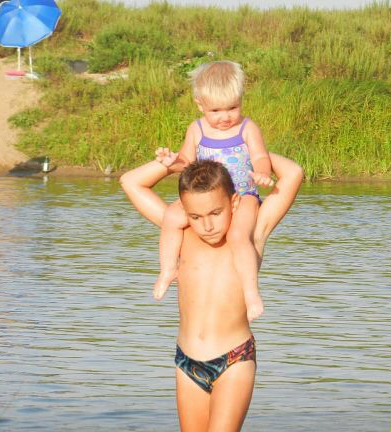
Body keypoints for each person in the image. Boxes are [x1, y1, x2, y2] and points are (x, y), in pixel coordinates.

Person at [120, 155, 302, 431]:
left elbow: (293, 174)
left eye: (216, 213)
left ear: (234, 202)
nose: (207, 226)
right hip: (187, 361)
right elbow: (131, 182)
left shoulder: (249, 235)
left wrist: (243, 152)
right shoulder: (181, 233)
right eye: (195, 216)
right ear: (185, 211)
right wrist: (178, 161)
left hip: (234, 359)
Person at [155, 61, 273, 322]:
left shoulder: (247, 128)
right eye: (216, 110)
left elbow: (260, 156)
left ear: (241, 100)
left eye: (232, 108)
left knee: (238, 236)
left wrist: (262, 172)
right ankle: (167, 269)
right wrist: (172, 162)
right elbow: (186, 160)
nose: (225, 117)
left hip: (243, 196)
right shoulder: (196, 129)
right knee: (171, 217)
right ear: (200, 105)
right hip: (207, 199)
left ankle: (251, 294)